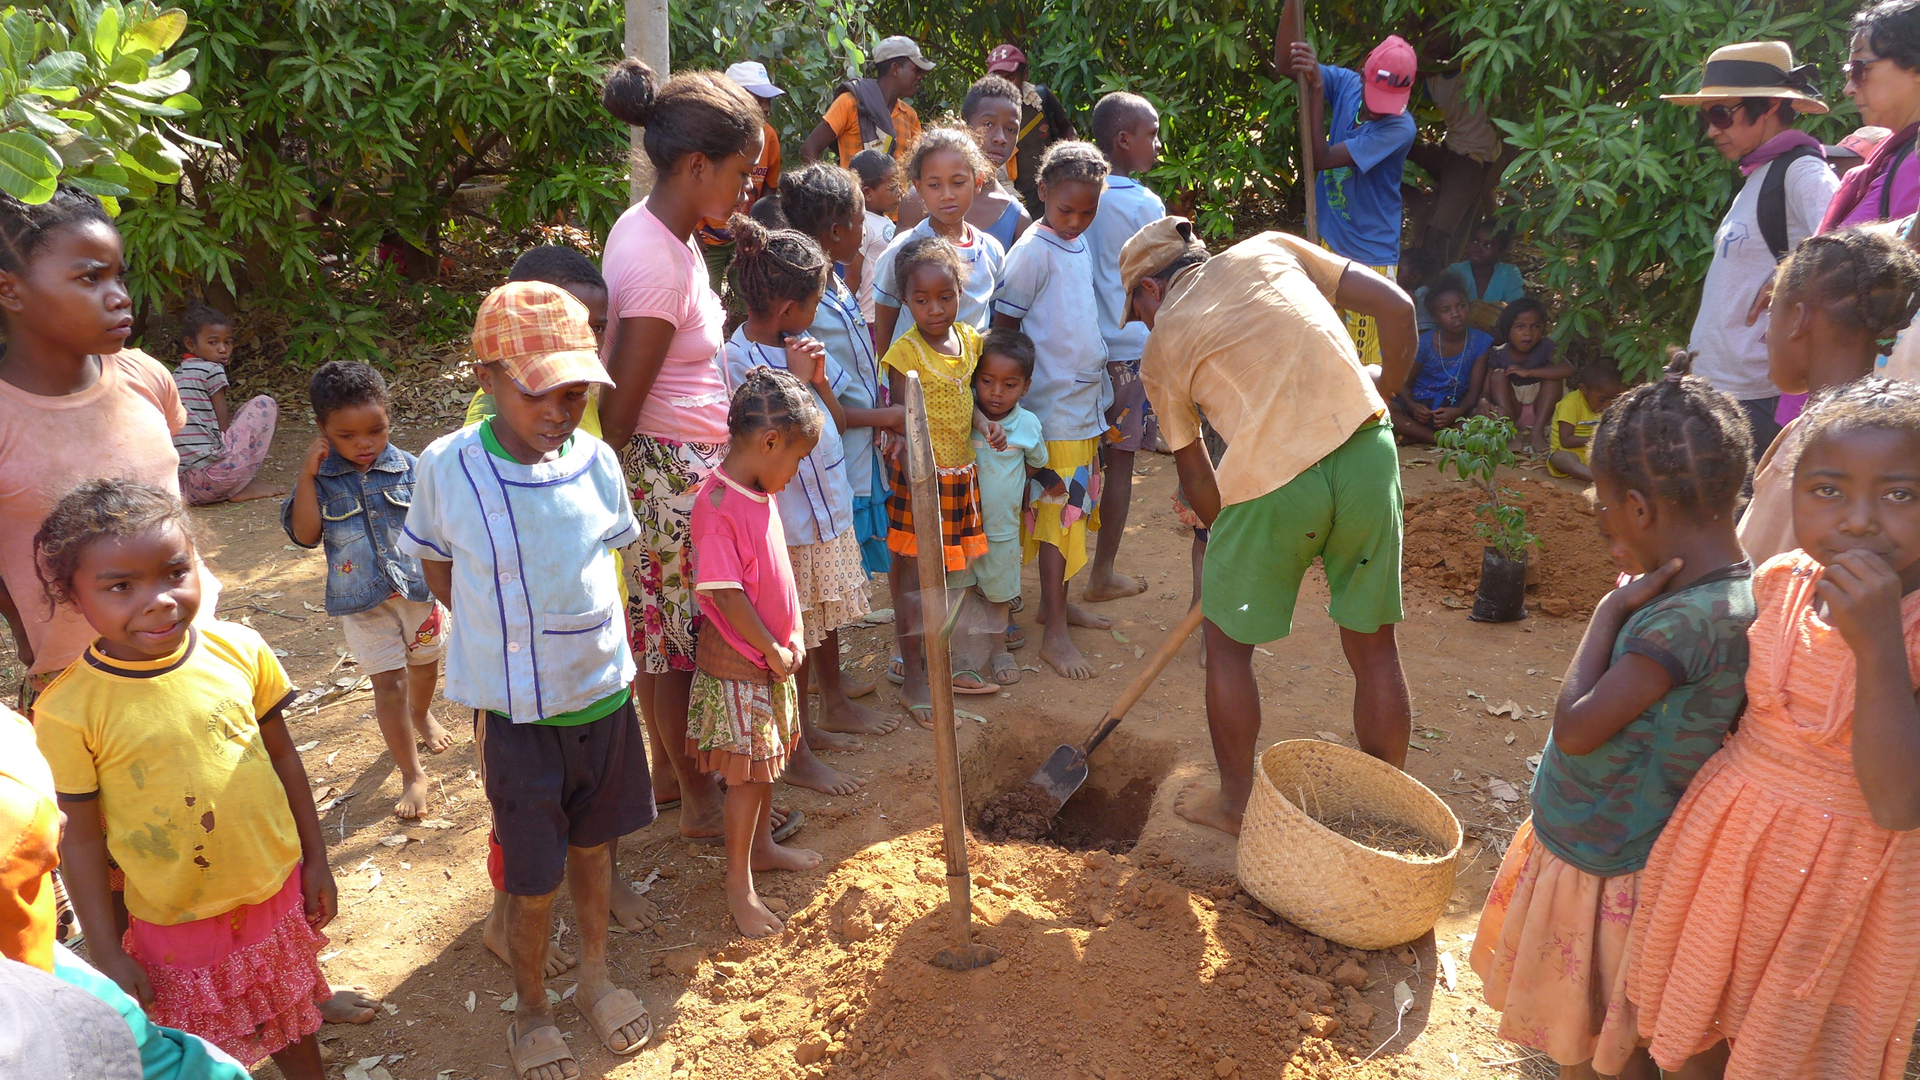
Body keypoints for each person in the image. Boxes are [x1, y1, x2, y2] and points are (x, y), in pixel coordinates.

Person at [1627, 377, 1920, 1080]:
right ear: (1790, 494)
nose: (1858, 520)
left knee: (1793, 1050)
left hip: (1846, 887)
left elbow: (1898, 802)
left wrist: (1878, 642)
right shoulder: (1780, 583)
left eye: (1900, 494)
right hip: (1728, 855)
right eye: (1827, 489)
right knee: (1697, 1026)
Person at [400, 282, 654, 1080]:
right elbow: (439, 566)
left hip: (606, 698)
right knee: (533, 877)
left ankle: (594, 978)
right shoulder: (449, 467)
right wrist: (503, 632)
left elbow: (618, 553)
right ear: (486, 378)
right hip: (517, 716)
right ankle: (533, 1007)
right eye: (537, 391)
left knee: (594, 851)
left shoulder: (598, 461)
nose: (559, 411)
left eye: (574, 394)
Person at [1470, 369, 1755, 1080]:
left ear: (1639, 506)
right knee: (1615, 1035)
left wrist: (1606, 616)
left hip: (1607, 864)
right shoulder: (1736, 597)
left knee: (1597, 1046)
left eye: (1604, 514)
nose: (1603, 529)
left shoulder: (1680, 625)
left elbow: (1575, 729)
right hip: (1638, 851)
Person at [32, 479, 332, 1078]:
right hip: (174, 921)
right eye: (121, 586)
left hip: (271, 889)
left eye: (174, 572)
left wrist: (316, 859)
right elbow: (81, 840)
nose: (160, 600)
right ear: (73, 596)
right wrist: (105, 950)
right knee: (206, 1050)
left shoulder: (241, 650)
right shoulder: (67, 710)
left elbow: (284, 761)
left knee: (291, 1017)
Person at [1126, 217, 1417, 835]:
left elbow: (1198, 476)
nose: (1144, 324)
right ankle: (1387, 818)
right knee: (1373, 646)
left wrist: (1224, 537)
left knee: (1228, 647)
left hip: (1272, 482)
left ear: (1150, 292)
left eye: (1137, 310)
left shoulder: (1161, 347)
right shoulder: (1270, 248)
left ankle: (1236, 806)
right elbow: (1398, 304)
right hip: (1369, 450)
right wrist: (1383, 388)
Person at [598, 59, 764, 847]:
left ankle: (674, 780)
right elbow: (619, 415)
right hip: (666, 478)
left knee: (672, 643)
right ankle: (698, 802)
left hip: (681, 472)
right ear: (698, 167)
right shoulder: (657, 262)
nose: (745, 189)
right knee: (675, 652)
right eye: (740, 172)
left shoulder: (668, 232)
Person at [0, 185, 221, 703]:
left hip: (196, 647)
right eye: (89, 278)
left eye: (117, 274)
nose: (120, 295)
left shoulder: (146, 377)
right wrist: (27, 634)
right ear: (9, 291)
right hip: (75, 682)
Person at [723, 215, 890, 781]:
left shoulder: (804, 346)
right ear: (791, 306)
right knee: (792, 628)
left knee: (826, 613)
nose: (821, 308)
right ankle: (796, 745)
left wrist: (818, 380)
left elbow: (837, 421)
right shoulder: (738, 363)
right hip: (787, 521)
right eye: (818, 297)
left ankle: (833, 705)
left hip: (828, 508)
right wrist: (799, 379)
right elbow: (767, 446)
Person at [687, 368, 829, 937]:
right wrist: (770, 647)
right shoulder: (718, 505)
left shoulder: (757, 489)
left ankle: (763, 848)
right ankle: (738, 886)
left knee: (765, 763)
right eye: (797, 460)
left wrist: (786, 640)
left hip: (770, 658)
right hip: (743, 665)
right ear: (770, 443)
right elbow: (723, 591)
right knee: (745, 777)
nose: (795, 474)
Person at [281, 362, 448, 819]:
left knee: (425, 667)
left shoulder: (414, 469)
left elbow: (439, 533)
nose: (364, 444)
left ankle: (422, 712)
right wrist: (305, 476)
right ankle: (412, 772)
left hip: (417, 594)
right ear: (322, 431)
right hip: (363, 603)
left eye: (376, 430)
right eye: (347, 435)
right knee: (388, 685)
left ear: (389, 418)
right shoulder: (320, 480)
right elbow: (305, 533)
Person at [1661, 40, 1838, 456]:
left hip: (1758, 397)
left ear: (1772, 105)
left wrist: (1789, 276)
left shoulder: (1802, 171)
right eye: (1707, 116)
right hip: (1720, 387)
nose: (1711, 130)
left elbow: (1854, 250)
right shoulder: (1763, 174)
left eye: (1722, 114)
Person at [993, 141, 1112, 681]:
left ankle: (1055, 606)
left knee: (1073, 510)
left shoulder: (1076, 245)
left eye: (1088, 212)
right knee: (1056, 517)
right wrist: (1010, 402)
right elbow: (1005, 328)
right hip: (1051, 413)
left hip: (1082, 405)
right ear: (1042, 192)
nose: (1077, 222)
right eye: (1066, 210)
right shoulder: (1033, 250)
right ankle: (1055, 633)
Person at [1738, 227, 1920, 564]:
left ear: (1798, 319)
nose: (1766, 334)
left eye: (1771, 313)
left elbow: (1755, 576)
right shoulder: (1896, 431)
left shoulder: (1811, 444)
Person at [881, 236, 994, 720]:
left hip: (960, 478)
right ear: (905, 301)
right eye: (922, 300)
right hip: (919, 483)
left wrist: (985, 424)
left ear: (960, 292)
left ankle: (936, 659)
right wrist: (907, 458)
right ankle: (912, 676)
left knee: (946, 578)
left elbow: (966, 401)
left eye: (945, 297)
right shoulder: (903, 355)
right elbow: (897, 419)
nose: (935, 309)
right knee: (912, 579)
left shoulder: (970, 342)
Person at [779, 163, 906, 594]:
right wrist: (888, 416)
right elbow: (828, 406)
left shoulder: (834, 279)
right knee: (834, 567)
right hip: (839, 452)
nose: (865, 234)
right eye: (860, 225)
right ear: (836, 231)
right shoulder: (808, 303)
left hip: (860, 445)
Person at [1283, 31, 1418, 368]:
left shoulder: (1400, 128)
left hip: (1367, 259)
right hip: (1327, 242)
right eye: (1375, 98)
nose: (1377, 110)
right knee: (1319, 348)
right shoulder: (1345, 84)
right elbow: (1287, 65)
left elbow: (1322, 158)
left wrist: (1316, 90)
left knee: (1359, 371)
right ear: (1362, 73)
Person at [1085, 92, 1168, 609]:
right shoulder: (1143, 204)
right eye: (1151, 133)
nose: (1157, 144)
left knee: (1077, 463)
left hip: (1084, 350)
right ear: (1124, 139)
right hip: (1131, 353)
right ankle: (1103, 572)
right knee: (1120, 466)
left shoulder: (1078, 195)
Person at [870, 128, 1007, 349]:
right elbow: (883, 323)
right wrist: (886, 377)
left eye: (958, 182)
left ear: (978, 181)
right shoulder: (903, 250)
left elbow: (993, 317)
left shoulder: (991, 251)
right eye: (934, 185)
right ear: (919, 188)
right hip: (913, 379)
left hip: (969, 380)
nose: (947, 195)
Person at [970, 328, 1047, 687]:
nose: (996, 392)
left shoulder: (1028, 425)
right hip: (960, 527)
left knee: (999, 592)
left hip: (1001, 529)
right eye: (987, 381)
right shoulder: (963, 416)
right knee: (960, 588)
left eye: (1009, 384)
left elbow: (1036, 463)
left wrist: (1011, 486)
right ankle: (962, 653)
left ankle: (998, 649)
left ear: (1026, 387)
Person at [464, 246, 611, 433]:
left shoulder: (581, 395)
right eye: (532, 395)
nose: (585, 338)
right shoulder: (493, 406)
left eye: (596, 328)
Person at [897, 76, 1031, 250]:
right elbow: (894, 269)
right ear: (966, 124)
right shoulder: (919, 200)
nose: (1001, 138)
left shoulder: (1017, 219)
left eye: (1011, 129)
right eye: (988, 124)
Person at [169, 303, 282, 505]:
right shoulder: (212, 369)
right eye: (213, 343)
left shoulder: (173, 376)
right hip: (216, 479)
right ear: (190, 344)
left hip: (184, 489)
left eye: (228, 343)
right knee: (264, 404)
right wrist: (226, 446)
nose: (223, 349)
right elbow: (221, 416)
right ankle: (241, 486)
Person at [696, 61, 788, 296]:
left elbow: (769, 187)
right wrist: (692, 232)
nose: (765, 107)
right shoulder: (708, 137)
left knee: (752, 295)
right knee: (707, 297)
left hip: (744, 235)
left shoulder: (769, 137)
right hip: (707, 237)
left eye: (767, 100)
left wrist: (759, 228)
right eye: (758, 99)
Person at [1389, 273, 1492, 444]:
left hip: (1454, 409)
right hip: (1420, 408)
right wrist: (1413, 406)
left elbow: (1474, 393)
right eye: (1446, 310)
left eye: (1461, 306)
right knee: (1385, 411)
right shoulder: (1423, 344)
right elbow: (1403, 384)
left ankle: (1417, 435)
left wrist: (1458, 411)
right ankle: (1436, 438)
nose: (1455, 314)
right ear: (1435, 318)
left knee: (1486, 418)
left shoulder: (1481, 342)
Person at [802, 36, 933, 167]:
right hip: (853, 188)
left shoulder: (909, 116)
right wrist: (819, 185)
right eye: (915, 70)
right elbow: (810, 148)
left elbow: (917, 166)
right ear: (895, 69)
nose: (920, 77)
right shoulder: (849, 103)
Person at [985, 44, 1078, 213]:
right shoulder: (982, 112)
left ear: (1025, 75)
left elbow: (1067, 130)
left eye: (1010, 78)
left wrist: (1070, 166)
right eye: (998, 79)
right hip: (1009, 201)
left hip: (1050, 195)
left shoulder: (1040, 100)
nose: (1004, 85)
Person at [1482, 297, 1571, 454]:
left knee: (1554, 376)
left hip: (1542, 411)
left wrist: (1529, 372)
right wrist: (1483, 400)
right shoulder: (1498, 353)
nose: (1528, 333)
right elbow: (1486, 389)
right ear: (1507, 330)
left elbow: (1567, 369)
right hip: (1512, 411)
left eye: (1535, 326)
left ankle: (1536, 432)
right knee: (1498, 375)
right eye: (1520, 327)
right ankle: (1511, 432)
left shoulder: (1545, 346)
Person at [1546, 355, 1628, 482]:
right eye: (1602, 399)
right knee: (1561, 458)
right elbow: (1566, 441)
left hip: (1596, 455)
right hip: (1572, 454)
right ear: (1583, 389)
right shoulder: (1570, 404)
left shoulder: (1610, 406)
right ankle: (1601, 481)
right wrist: (1599, 438)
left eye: (1614, 399)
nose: (1608, 405)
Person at [850, 150, 901, 323]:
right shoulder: (863, 225)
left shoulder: (884, 220)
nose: (899, 192)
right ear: (868, 193)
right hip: (870, 316)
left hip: (887, 311)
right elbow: (852, 275)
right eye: (892, 188)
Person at [1445, 221, 1525, 330]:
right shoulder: (1455, 271)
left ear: (1500, 251)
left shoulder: (1509, 273)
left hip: (1499, 338)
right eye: (1475, 241)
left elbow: (1516, 311)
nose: (1478, 248)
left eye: (1487, 245)